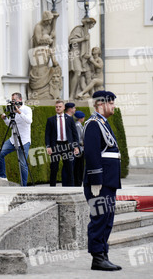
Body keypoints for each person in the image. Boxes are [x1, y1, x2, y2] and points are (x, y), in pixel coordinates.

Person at [83, 90, 122, 271]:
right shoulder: (93, 124)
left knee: (107, 219)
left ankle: (103, 254)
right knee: (99, 218)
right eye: (111, 103)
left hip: (108, 181)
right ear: (101, 104)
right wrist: (95, 180)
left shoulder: (102, 124)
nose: (113, 106)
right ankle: (97, 258)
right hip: (99, 182)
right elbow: (91, 154)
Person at [0, 93, 32, 186]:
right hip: (13, 139)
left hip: (24, 141)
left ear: (20, 99)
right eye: (12, 101)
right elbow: (11, 125)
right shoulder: (12, 110)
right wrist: (5, 119)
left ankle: (24, 185)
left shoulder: (27, 109)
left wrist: (19, 112)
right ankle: (3, 176)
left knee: (23, 164)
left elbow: (29, 121)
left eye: (14, 100)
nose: (13, 102)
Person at [44, 100, 79, 186]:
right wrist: (48, 146)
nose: (58, 108)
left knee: (69, 168)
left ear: (63, 108)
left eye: (60, 107)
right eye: (56, 107)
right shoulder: (50, 120)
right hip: (55, 146)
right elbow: (47, 134)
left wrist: (76, 146)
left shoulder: (70, 119)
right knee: (54, 168)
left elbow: (75, 134)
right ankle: (52, 188)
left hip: (67, 145)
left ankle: (71, 188)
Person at [69, 18, 96, 100]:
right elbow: (71, 41)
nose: (92, 26)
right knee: (77, 72)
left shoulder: (87, 33)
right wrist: (83, 39)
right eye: (92, 24)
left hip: (81, 55)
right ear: (89, 23)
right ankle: (71, 95)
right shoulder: (78, 29)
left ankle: (80, 93)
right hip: (75, 53)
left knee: (82, 74)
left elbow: (87, 46)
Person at [73, 111, 86, 186]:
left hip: (81, 148)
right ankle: (77, 182)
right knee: (79, 167)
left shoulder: (80, 125)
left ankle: (78, 181)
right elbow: (77, 138)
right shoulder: (78, 126)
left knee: (80, 166)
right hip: (79, 149)